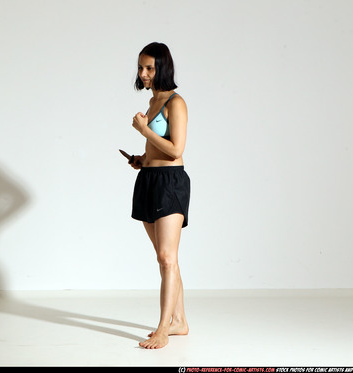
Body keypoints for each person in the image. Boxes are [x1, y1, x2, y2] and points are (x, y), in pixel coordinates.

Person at [129, 42, 191, 349]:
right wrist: (142, 158)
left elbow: (177, 149)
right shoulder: (153, 102)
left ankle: (164, 328)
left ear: (163, 67)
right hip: (149, 179)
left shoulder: (175, 102)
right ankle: (179, 320)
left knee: (168, 258)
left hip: (170, 182)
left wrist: (145, 131)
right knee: (163, 258)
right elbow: (157, 149)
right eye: (141, 67)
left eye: (149, 68)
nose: (143, 73)